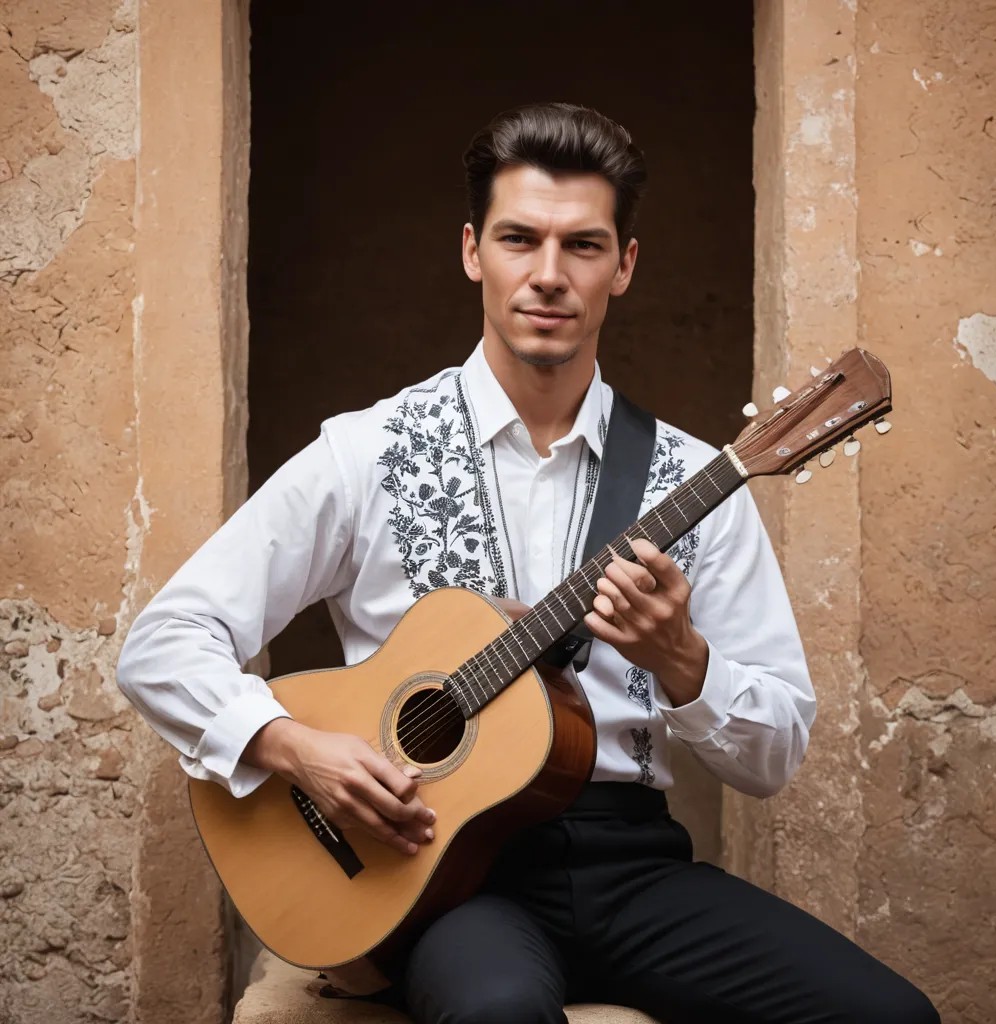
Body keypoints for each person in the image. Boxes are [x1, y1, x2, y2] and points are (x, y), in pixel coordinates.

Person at [117, 102, 939, 1024]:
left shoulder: (699, 480)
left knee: (891, 1019)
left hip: (633, 870)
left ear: (624, 265)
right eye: (519, 239)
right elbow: (163, 643)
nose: (549, 275)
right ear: (474, 251)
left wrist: (684, 662)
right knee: (496, 1013)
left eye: (583, 246)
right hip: (444, 873)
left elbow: (775, 754)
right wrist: (294, 747)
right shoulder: (367, 453)